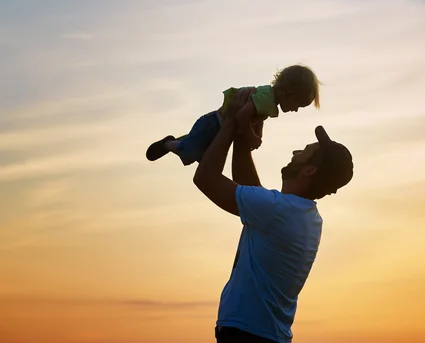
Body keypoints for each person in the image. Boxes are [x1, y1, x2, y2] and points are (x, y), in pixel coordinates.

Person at [192, 88, 354, 343]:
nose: (295, 153)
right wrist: (245, 133)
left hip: (247, 334)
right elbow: (249, 188)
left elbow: (205, 178)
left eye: (304, 152)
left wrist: (231, 123)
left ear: (310, 170)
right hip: (265, 335)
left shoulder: (278, 210)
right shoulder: (302, 216)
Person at [145, 64, 321, 165]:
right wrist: (251, 136)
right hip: (213, 125)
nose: (296, 110)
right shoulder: (267, 99)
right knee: (191, 153)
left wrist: (258, 134)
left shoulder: (269, 99)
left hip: (216, 126)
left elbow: (257, 117)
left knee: (204, 158)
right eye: (298, 105)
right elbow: (243, 115)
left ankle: (183, 140)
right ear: (289, 93)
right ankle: (169, 143)